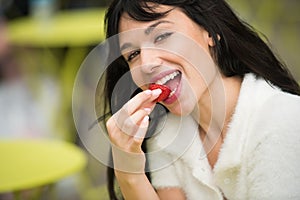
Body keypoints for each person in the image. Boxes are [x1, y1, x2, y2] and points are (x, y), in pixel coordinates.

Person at [99, 0, 300, 199]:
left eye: (162, 36)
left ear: (210, 32)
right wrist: (129, 171)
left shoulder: (282, 121)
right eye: (133, 54)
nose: (147, 64)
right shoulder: (167, 136)